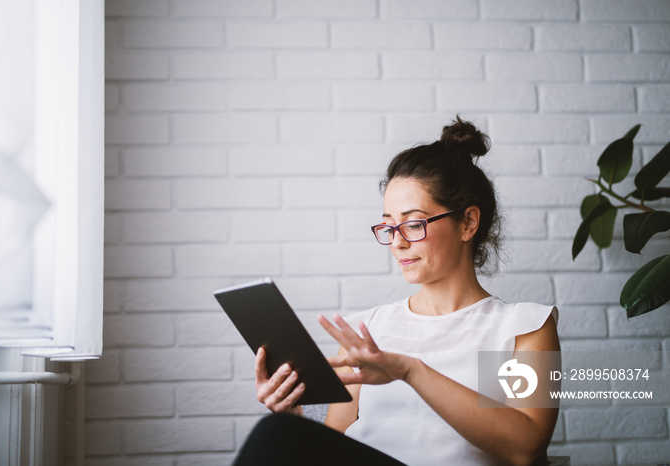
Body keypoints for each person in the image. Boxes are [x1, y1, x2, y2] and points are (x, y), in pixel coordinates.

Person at [236, 117, 560, 466]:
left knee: (273, 435)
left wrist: (411, 371)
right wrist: (293, 416)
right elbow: (334, 449)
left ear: (467, 222)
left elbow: (525, 447)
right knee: (278, 430)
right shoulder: (367, 332)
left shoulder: (521, 328)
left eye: (413, 223)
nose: (398, 242)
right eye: (389, 226)